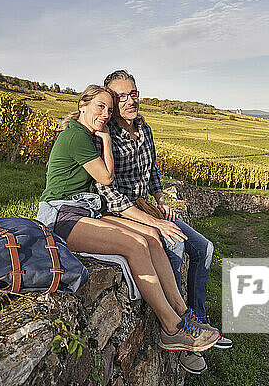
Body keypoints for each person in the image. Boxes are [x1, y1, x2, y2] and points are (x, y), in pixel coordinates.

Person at [36, 84, 219, 354]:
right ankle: (171, 329)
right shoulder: (77, 135)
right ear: (82, 105)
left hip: (86, 209)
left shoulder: (89, 133)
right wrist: (108, 139)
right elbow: (106, 178)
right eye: (101, 106)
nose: (106, 113)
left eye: (109, 109)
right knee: (135, 245)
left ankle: (182, 313)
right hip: (61, 215)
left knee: (152, 238)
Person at [93, 71, 232, 374]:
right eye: (121, 96)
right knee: (174, 250)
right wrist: (153, 222)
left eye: (133, 93)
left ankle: (197, 320)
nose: (130, 100)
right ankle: (179, 335)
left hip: (148, 206)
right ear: (111, 101)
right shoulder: (105, 135)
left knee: (204, 249)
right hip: (124, 213)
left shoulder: (144, 128)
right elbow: (108, 192)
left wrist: (161, 199)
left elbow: (153, 169)